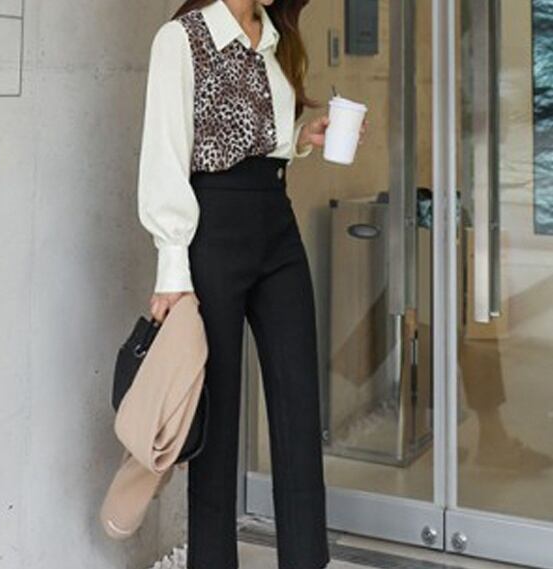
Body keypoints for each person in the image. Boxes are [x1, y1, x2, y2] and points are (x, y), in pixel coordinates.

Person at [136, 1, 367, 568]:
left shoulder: (272, 36)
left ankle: (306, 560)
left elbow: (260, 143)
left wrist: (302, 137)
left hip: (276, 223)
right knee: (218, 416)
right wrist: (173, 271)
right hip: (212, 227)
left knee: (297, 402)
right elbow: (166, 156)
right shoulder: (182, 39)